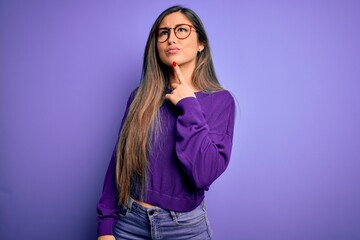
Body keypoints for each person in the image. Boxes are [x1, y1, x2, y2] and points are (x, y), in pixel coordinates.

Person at [97, 5, 235, 240]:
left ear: (201, 44)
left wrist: (188, 105)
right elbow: (120, 162)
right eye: (163, 33)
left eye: (181, 30)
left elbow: (204, 174)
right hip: (129, 224)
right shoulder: (140, 96)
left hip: (185, 229)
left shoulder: (221, 101)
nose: (171, 38)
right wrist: (105, 225)